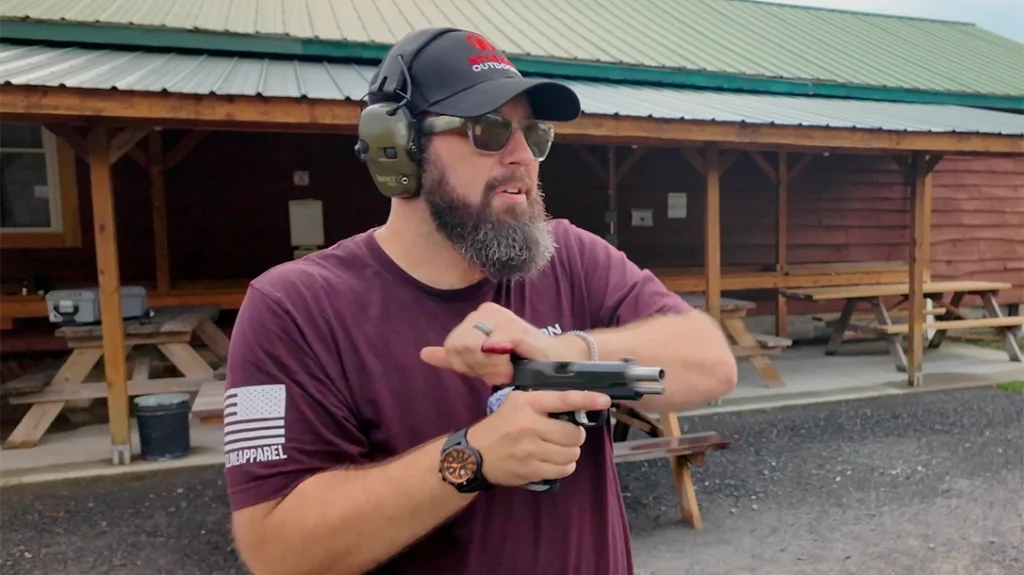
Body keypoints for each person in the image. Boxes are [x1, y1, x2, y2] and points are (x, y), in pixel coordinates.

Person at [222, 26, 737, 575]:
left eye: (533, 134)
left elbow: (711, 366)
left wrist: (562, 363)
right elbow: (276, 550)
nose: (521, 155)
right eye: (487, 130)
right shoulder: (294, 307)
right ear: (399, 148)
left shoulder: (573, 258)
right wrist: (471, 459)